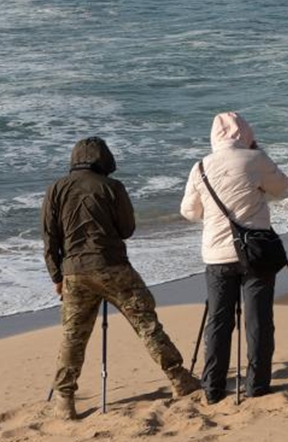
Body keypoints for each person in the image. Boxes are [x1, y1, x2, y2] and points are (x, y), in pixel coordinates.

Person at [42, 137, 201, 420]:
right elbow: (127, 229)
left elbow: (49, 239)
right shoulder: (112, 187)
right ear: (103, 160)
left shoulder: (56, 189)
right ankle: (179, 378)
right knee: (146, 323)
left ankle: (64, 399)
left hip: (74, 272)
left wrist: (57, 276)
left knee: (73, 336)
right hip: (112, 266)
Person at [180, 112, 288, 403]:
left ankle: (213, 388)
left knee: (218, 320)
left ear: (214, 137)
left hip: (217, 254)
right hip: (256, 251)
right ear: (246, 134)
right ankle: (258, 385)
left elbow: (189, 212)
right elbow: (282, 187)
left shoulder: (200, 166)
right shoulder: (256, 160)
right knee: (258, 319)